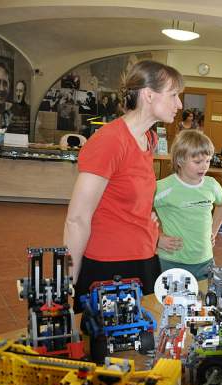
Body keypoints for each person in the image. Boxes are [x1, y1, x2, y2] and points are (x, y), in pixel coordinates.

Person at [64, 60, 183, 313]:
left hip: (144, 256)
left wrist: (149, 223)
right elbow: (77, 218)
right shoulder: (110, 141)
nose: (179, 104)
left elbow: (129, 196)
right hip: (111, 264)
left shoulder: (148, 138)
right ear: (148, 95)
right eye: (173, 95)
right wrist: (69, 280)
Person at [154, 130, 222, 280]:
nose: (204, 167)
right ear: (179, 160)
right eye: (197, 162)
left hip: (205, 260)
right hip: (172, 261)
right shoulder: (163, 187)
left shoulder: (211, 184)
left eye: (207, 161)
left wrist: (213, 231)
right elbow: (136, 213)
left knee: (204, 295)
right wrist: (156, 238)